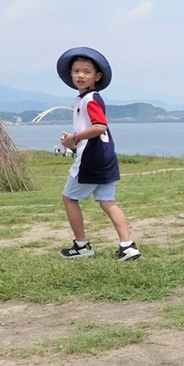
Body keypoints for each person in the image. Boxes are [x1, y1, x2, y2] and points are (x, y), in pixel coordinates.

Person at [55, 47, 140, 260]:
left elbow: (100, 126)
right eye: (76, 71)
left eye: (86, 71)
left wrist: (75, 138)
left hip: (92, 160)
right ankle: (127, 245)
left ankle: (81, 245)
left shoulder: (90, 99)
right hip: (105, 157)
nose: (80, 75)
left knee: (69, 198)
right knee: (107, 201)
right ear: (70, 74)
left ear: (97, 76)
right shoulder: (85, 99)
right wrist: (73, 143)